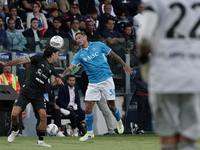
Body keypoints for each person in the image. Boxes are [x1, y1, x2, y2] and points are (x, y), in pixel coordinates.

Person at [137, 0, 200, 150]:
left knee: (168, 136)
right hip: (195, 73)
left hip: (165, 73)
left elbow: (144, 37)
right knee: (189, 138)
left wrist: (144, 59)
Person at [60, 31, 133, 141]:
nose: (77, 40)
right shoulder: (79, 54)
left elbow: (113, 55)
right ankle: (90, 133)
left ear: (85, 37)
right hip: (93, 83)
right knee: (88, 108)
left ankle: (118, 120)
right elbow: (71, 67)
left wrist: (124, 64)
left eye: (79, 38)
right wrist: (62, 75)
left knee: (111, 106)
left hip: (107, 79)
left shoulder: (98, 45)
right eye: (76, 39)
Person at [0, 46, 64, 147]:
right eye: (58, 54)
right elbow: (20, 61)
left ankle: (41, 141)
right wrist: (5, 64)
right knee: (14, 114)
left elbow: (52, 84)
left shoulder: (52, 69)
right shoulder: (38, 58)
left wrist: (58, 82)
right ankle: (15, 130)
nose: (59, 57)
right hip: (26, 91)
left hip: (38, 94)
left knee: (43, 115)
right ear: (52, 54)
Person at [130, 67, 151, 134]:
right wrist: (144, 87)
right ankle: (139, 128)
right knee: (141, 111)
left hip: (150, 94)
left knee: (149, 111)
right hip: (142, 93)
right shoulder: (141, 68)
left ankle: (136, 125)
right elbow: (135, 80)